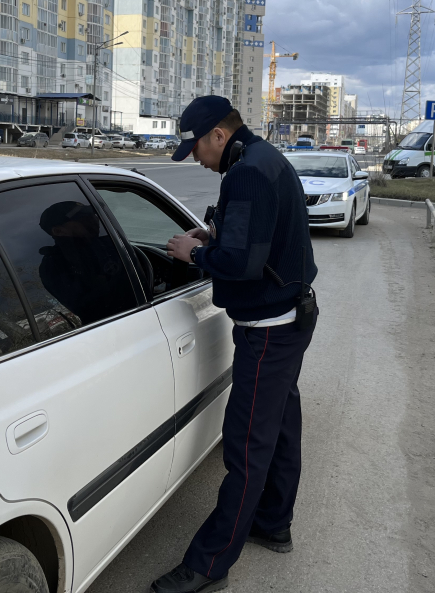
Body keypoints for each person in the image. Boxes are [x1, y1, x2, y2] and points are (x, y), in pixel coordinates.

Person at [151, 96, 318, 593]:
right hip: (291, 318)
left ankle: (209, 564)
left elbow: (242, 265)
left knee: (246, 446)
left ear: (219, 136)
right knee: (281, 428)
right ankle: (273, 522)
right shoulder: (263, 159)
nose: (197, 158)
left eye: (197, 147)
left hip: (267, 330)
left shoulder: (244, 174)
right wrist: (218, 234)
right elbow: (259, 239)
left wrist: (196, 251)